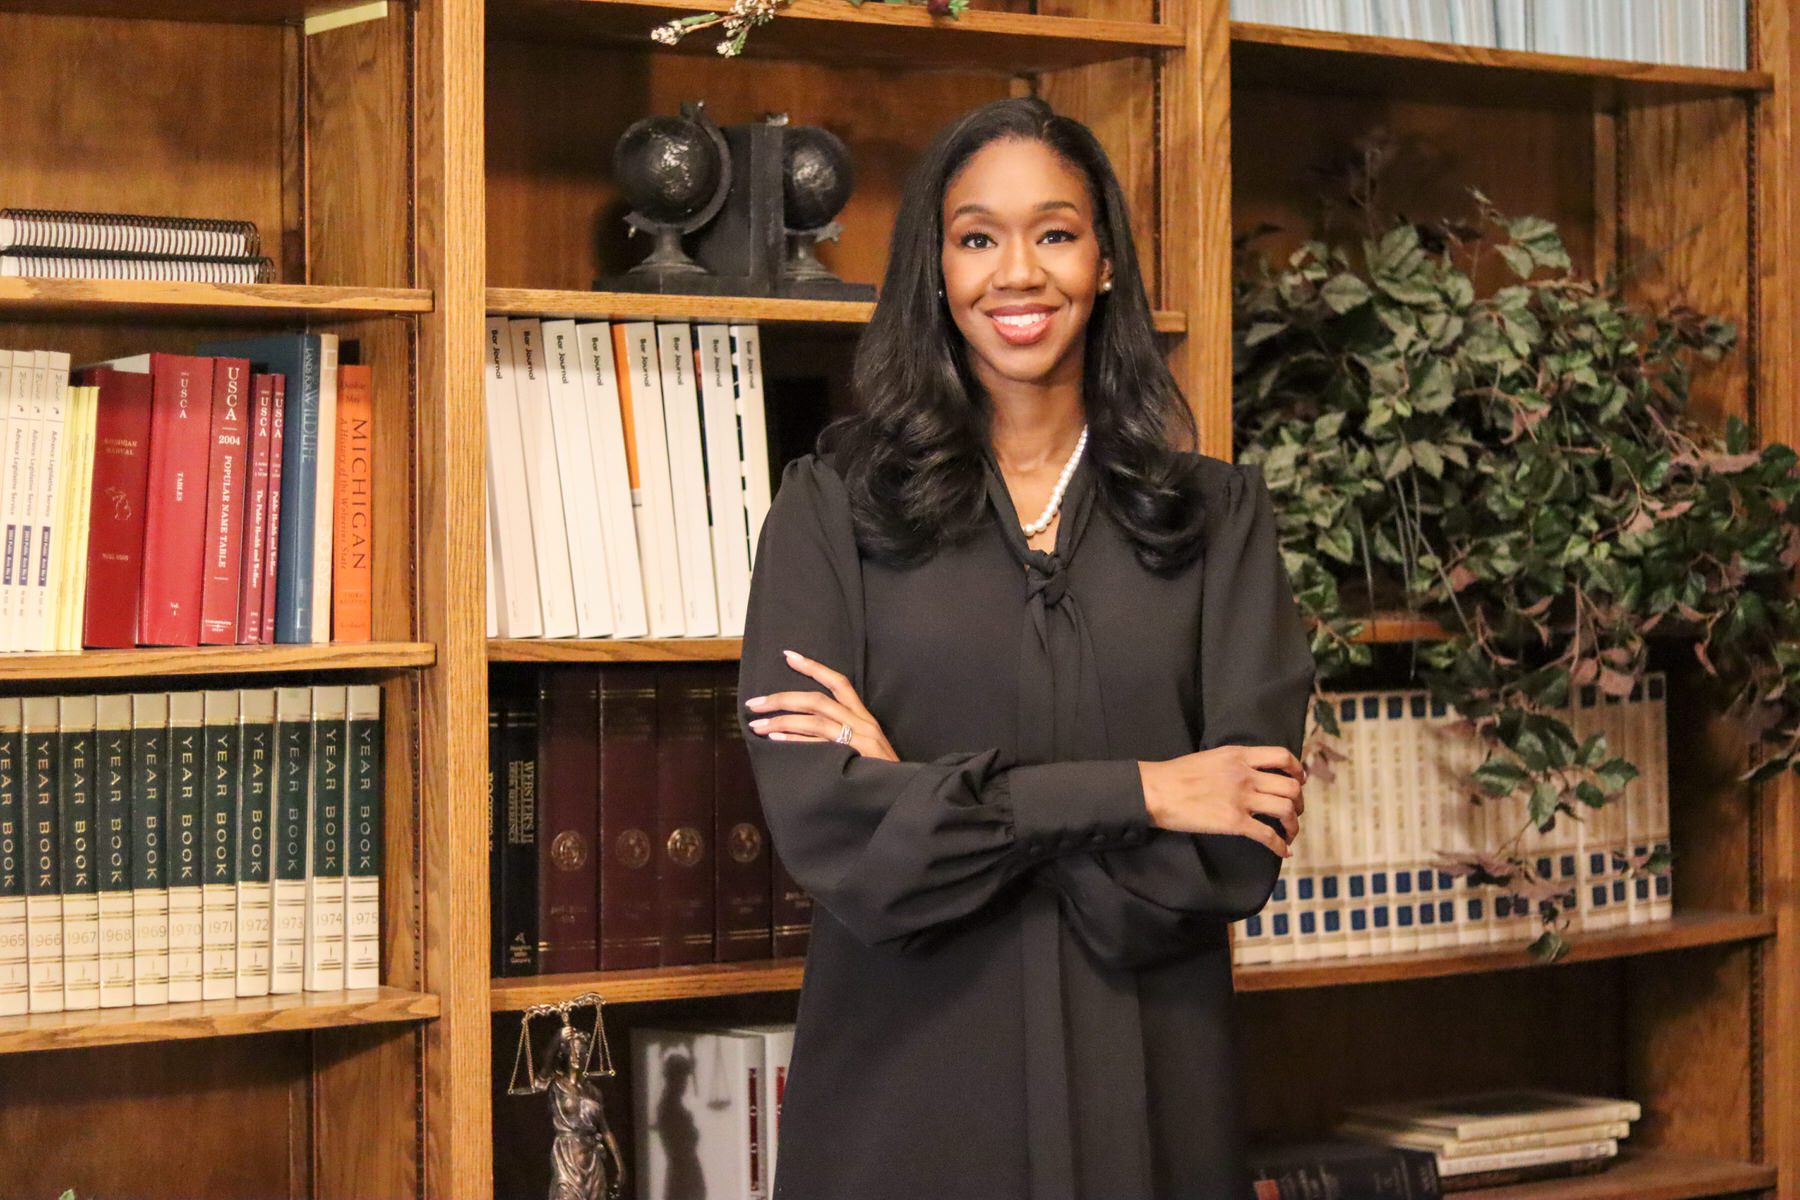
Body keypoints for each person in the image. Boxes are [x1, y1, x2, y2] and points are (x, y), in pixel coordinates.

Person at [735, 95, 1315, 1200]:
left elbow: (1237, 841)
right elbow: (833, 832)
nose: (1018, 272)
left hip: (1148, 1075)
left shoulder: (1219, 522)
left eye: (1055, 233)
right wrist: (1148, 787)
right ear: (935, 270)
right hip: (908, 1085)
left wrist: (922, 788)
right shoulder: (828, 513)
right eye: (976, 238)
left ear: (1105, 265)